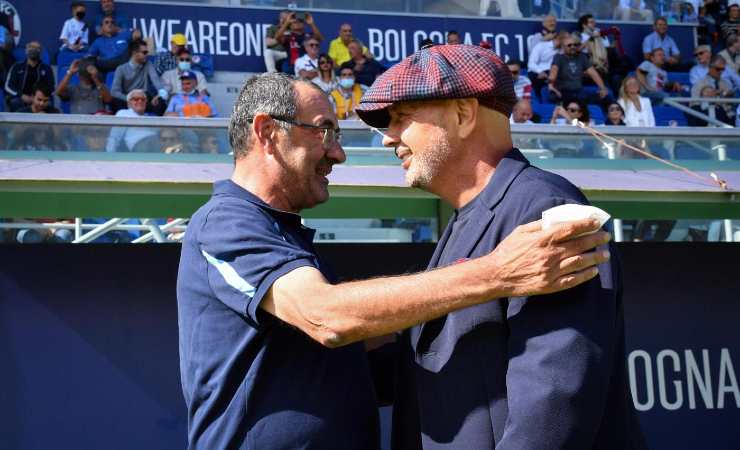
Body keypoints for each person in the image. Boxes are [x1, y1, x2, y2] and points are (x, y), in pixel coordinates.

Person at [177, 70, 610, 450]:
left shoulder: (535, 201)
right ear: (268, 132)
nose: (337, 153)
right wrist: (499, 273)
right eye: (325, 131)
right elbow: (326, 317)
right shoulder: (224, 223)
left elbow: (349, 365)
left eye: (403, 118)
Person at [354, 44, 643, 449]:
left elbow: (553, 408)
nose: (389, 138)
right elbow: (432, 366)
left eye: (402, 117)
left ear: (463, 114)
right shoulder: (472, 216)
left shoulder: (546, 209)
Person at [548, 33, 610, 106]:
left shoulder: (582, 57)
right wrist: (551, 85)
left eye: (575, 45)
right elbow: (553, 71)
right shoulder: (558, 57)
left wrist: (602, 88)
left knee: (605, 98)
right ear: (563, 47)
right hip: (564, 91)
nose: (573, 47)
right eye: (569, 45)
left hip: (579, 91)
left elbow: (593, 73)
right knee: (575, 102)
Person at [111, 39, 167, 114]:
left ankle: (154, 125)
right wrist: (130, 98)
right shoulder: (121, 69)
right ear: (134, 53)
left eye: (147, 52)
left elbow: (157, 82)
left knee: (160, 102)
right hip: (128, 99)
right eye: (144, 52)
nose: (147, 55)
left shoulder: (148, 64)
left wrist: (160, 95)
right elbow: (114, 92)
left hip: (144, 99)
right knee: (115, 101)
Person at [4, 41, 55, 112]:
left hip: (40, 99)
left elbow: (51, 88)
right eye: (31, 47)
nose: (33, 50)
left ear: (41, 52)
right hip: (20, 98)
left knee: (49, 103)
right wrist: (21, 95)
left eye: (37, 48)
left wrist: (37, 98)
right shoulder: (17, 67)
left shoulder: (47, 69)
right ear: (26, 50)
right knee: (15, 102)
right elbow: (8, 86)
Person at [691, 54, 735, 119]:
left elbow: (731, 105)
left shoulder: (727, 84)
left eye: (722, 69)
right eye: (718, 69)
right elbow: (694, 105)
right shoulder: (698, 84)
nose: (720, 72)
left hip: (727, 118)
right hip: (706, 118)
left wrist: (730, 96)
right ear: (710, 68)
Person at [528, 30, 564, 100]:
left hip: (553, 73)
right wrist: (540, 71)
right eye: (564, 40)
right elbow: (531, 64)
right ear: (557, 38)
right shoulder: (541, 45)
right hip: (536, 71)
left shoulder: (562, 51)